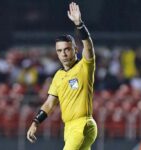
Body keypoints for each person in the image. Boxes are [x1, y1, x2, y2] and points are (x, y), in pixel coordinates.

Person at [27, 2, 97, 150]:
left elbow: (89, 47)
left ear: (75, 49)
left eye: (67, 49)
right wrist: (35, 122)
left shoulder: (84, 66)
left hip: (82, 124)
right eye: (59, 51)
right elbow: (49, 104)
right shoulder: (58, 76)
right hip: (69, 129)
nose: (63, 54)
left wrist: (79, 24)